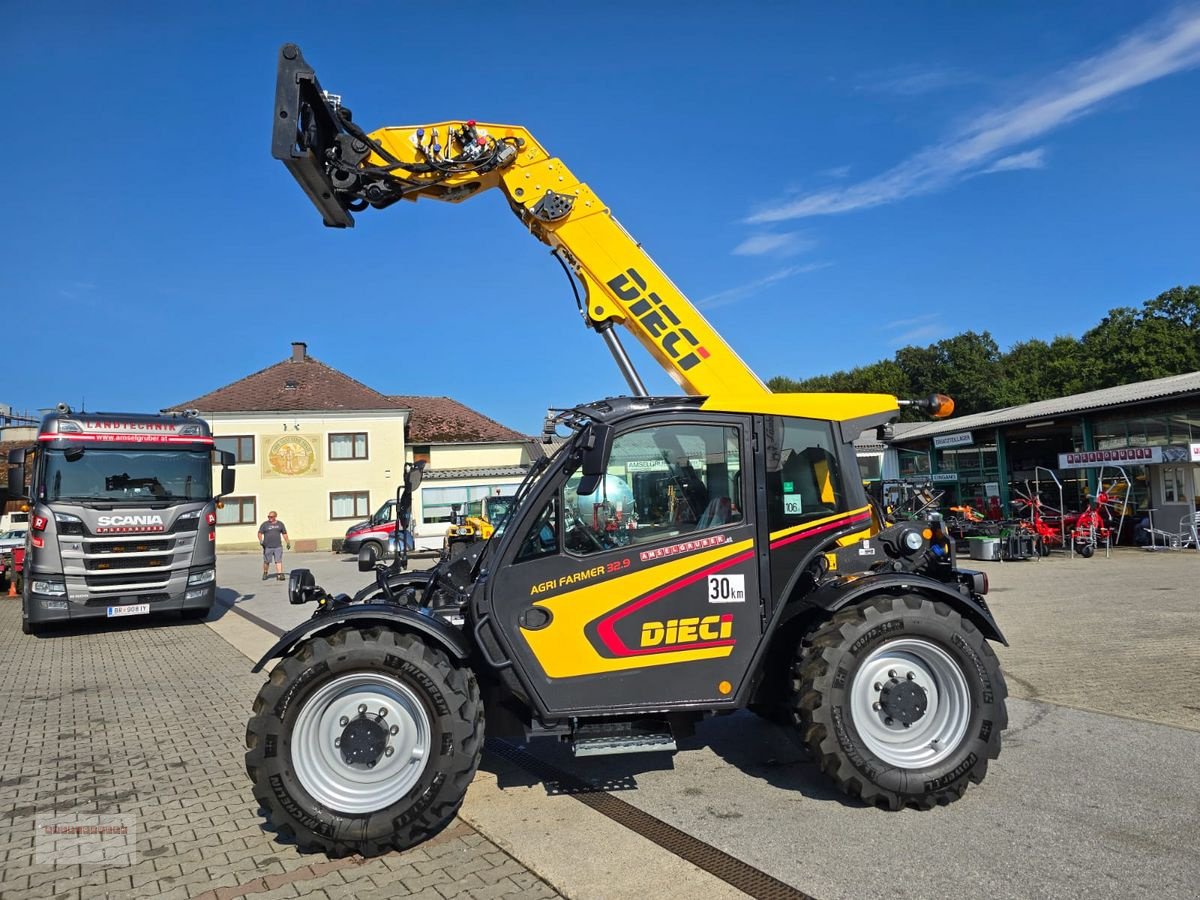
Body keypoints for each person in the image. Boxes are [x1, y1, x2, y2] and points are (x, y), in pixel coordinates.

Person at [258, 511, 290, 581]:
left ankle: (280, 574)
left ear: (275, 517)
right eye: (268, 517)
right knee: (267, 561)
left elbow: (284, 533)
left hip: (278, 546)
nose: (269, 518)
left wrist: (288, 542)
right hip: (268, 546)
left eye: (271, 517)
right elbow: (260, 533)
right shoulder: (265, 524)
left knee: (278, 560)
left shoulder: (280, 524)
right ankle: (265, 573)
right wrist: (261, 540)